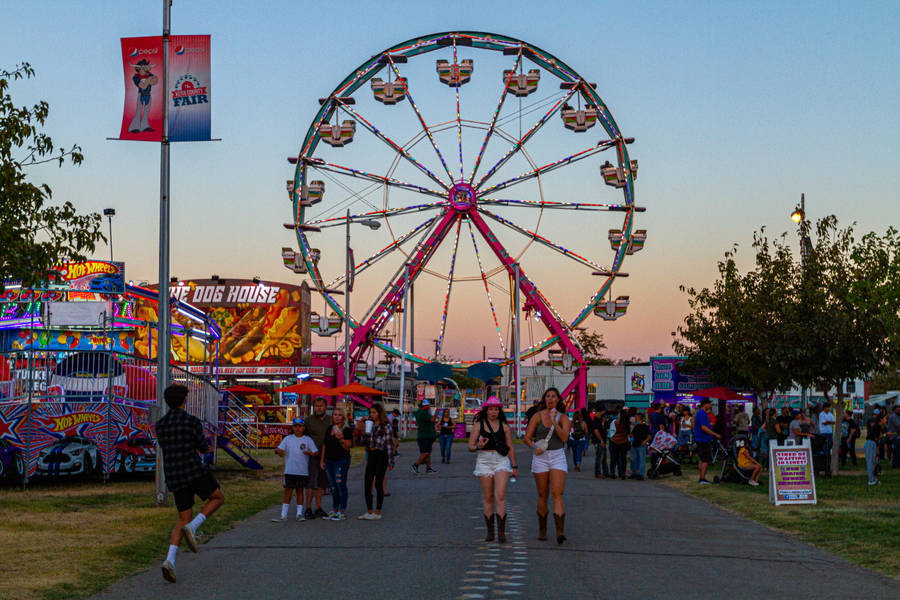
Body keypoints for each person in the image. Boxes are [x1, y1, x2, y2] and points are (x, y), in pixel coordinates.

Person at [155, 384, 225, 583]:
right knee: (218, 497)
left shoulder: (160, 425)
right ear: (184, 400)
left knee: (182, 517)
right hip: (193, 470)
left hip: (174, 476)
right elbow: (203, 448)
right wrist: (207, 446)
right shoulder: (192, 421)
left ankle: (170, 560)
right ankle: (194, 527)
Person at [523, 387, 571, 544]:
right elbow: (527, 437)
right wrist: (533, 447)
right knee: (543, 494)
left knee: (557, 493)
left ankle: (559, 532)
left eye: (553, 396)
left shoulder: (564, 418)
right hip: (541, 456)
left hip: (557, 455)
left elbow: (564, 438)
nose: (550, 399)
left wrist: (555, 422)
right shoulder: (537, 416)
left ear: (558, 400)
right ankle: (542, 529)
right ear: (544, 399)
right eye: (548, 396)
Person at [468, 396, 517, 543]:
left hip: (501, 460)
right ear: (486, 410)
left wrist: (514, 466)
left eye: (496, 409)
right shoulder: (479, 425)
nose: (493, 412)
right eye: (491, 409)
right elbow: (470, 446)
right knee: (488, 497)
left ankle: (501, 532)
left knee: (500, 495)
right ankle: (490, 531)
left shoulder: (505, 427)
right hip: (484, 460)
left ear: (499, 411)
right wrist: (478, 446)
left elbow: (510, 447)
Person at [272, 418, 316, 523]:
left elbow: (315, 452)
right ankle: (283, 515)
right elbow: (279, 450)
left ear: (304, 428)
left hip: (302, 471)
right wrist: (278, 451)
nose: (298, 428)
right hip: (290, 470)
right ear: (292, 427)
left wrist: (311, 453)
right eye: (295, 426)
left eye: (300, 426)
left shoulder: (308, 440)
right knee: (288, 491)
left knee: (300, 491)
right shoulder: (288, 439)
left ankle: (299, 514)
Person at [358, 403, 395, 519]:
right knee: (367, 483)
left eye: (374, 412)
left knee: (379, 483)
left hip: (381, 455)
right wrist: (363, 431)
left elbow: (389, 444)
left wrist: (390, 461)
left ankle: (377, 512)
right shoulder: (370, 425)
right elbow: (363, 442)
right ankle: (369, 511)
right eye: (370, 412)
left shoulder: (385, 426)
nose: (372, 415)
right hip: (372, 454)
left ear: (379, 413)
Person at [303, 397, 332, 520]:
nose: (319, 408)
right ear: (313, 407)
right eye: (316, 406)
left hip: (326, 457)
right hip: (312, 456)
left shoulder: (330, 420)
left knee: (321, 484)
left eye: (321, 406)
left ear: (325, 407)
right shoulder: (308, 420)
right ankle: (308, 508)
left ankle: (318, 508)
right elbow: (302, 436)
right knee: (311, 484)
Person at [321, 407, 353, 520]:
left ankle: (341, 510)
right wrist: (322, 460)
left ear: (343, 417)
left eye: (339, 415)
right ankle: (334, 509)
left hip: (341, 461)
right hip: (329, 461)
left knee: (340, 485)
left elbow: (347, 448)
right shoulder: (329, 428)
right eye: (335, 414)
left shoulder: (347, 430)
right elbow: (325, 444)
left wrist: (341, 439)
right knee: (333, 487)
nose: (337, 416)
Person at [693, 398, 720, 485]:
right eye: (709, 403)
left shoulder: (701, 413)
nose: (710, 405)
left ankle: (701, 477)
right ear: (705, 404)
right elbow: (703, 427)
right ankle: (702, 478)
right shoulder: (702, 413)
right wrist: (715, 434)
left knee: (702, 459)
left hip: (700, 439)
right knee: (706, 459)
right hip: (703, 439)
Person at [411, 399, 438, 473]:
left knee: (427, 452)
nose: (429, 406)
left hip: (421, 435)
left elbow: (417, 422)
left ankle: (428, 468)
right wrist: (436, 413)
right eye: (427, 405)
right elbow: (432, 420)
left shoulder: (418, 412)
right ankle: (416, 465)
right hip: (427, 435)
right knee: (426, 452)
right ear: (424, 406)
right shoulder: (424, 413)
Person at [609, 408, 630, 480]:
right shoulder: (627, 424)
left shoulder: (615, 422)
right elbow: (628, 433)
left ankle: (612, 473)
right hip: (624, 442)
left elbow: (611, 433)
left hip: (615, 442)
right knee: (623, 458)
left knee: (613, 458)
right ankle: (623, 473)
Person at [864, 412, 884, 485]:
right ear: (881, 419)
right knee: (870, 462)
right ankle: (871, 480)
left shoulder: (877, 426)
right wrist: (884, 436)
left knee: (874, 462)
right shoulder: (877, 426)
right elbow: (876, 438)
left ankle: (874, 478)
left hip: (872, 444)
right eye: (885, 419)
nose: (886, 420)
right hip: (870, 443)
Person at [629, 412, 650, 480]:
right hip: (634, 444)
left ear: (640, 418)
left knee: (642, 460)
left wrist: (645, 441)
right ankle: (634, 473)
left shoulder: (645, 426)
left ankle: (641, 475)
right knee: (633, 459)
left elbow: (649, 436)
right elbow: (632, 434)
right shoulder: (636, 426)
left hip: (641, 445)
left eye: (636, 417)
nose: (635, 418)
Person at [590, 407, 609, 479]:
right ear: (599, 412)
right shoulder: (596, 420)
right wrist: (601, 440)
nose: (604, 413)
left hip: (601, 440)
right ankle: (598, 473)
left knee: (604, 457)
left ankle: (606, 472)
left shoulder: (600, 420)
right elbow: (596, 431)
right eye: (603, 412)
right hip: (598, 441)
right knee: (599, 457)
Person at [888, 404, 900, 469]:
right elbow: (898, 425)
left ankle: (896, 464)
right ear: (894, 410)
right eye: (898, 410)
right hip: (894, 436)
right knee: (897, 451)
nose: (899, 410)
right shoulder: (893, 416)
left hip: (897, 436)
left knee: (897, 451)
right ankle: (896, 465)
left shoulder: (897, 416)